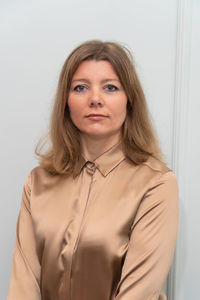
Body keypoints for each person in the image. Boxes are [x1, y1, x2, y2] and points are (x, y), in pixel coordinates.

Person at [7, 40, 179, 300]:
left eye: (110, 87)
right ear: (66, 100)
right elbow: (24, 283)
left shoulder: (156, 183)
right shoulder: (38, 182)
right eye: (80, 88)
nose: (95, 99)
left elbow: (138, 294)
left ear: (129, 99)